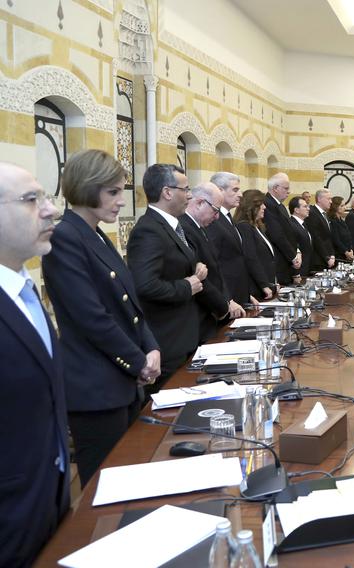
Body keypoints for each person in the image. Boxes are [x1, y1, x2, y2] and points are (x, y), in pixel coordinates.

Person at [42, 150, 160, 487]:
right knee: (105, 488)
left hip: (120, 379)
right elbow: (91, 316)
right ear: (87, 187)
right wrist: (139, 361)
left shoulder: (94, 233)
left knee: (129, 478)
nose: (121, 201)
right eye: (113, 192)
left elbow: (130, 306)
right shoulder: (65, 236)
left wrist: (150, 346)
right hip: (96, 387)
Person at [0, 163, 69, 566]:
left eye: (45, 197)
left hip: (48, 499)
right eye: (31, 200)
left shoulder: (24, 287)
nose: (49, 210)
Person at [127, 164, 205, 381]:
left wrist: (196, 266)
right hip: (167, 340)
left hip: (184, 335)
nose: (189, 196)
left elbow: (173, 262)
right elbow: (145, 284)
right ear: (167, 192)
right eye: (186, 189)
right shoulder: (148, 230)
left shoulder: (172, 225)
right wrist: (187, 286)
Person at [180, 182, 244, 342]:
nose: (217, 217)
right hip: (202, 315)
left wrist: (227, 300)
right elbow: (202, 279)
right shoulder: (185, 227)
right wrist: (223, 306)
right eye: (215, 210)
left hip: (213, 311)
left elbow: (215, 269)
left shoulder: (198, 227)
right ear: (200, 203)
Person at [209, 172, 267, 306]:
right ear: (219, 190)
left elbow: (239, 261)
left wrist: (246, 294)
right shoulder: (213, 220)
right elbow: (215, 265)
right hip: (228, 300)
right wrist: (227, 299)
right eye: (235, 190)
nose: (240, 194)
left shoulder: (228, 219)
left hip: (239, 295)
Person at [235, 190, 276, 300]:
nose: (264, 207)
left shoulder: (257, 227)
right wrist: (264, 284)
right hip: (256, 288)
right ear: (251, 207)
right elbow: (251, 258)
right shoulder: (244, 227)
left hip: (266, 285)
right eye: (261, 204)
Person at [262, 173, 301, 284]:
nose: (288, 191)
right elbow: (277, 235)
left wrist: (297, 251)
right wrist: (293, 257)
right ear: (275, 188)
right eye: (286, 188)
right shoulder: (267, 204)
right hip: (279, 261)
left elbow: (289, 232)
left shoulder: (281, 206)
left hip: (287, 260)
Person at [305, 189, 337, 270]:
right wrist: (327, 257)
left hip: (327, 259)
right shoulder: (312, 213)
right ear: (319, 199)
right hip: (318, 260)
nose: (331, 202)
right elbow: (316, 238)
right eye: (328, 199)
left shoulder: (325, 214)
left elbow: (328, 238)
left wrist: (332, 255)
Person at [288, 196, 313, 276]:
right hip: (298, 270)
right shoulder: (291, 225)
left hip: (306, 268)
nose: (308, 209)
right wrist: (296, 273)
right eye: (305, 206)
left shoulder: (303, 224)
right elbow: (293, 248)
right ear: (296, 210)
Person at [329, 196, 354, 262]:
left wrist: (351, 250)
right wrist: (346, 252)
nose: (345, 207)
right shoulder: (333, 221)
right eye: (342, 205)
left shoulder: (342, 220)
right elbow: (336, 240)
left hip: (347, 253)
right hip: (339, 255)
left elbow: (348, 236)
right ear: (336, 207)